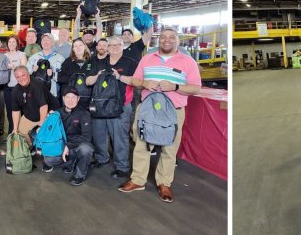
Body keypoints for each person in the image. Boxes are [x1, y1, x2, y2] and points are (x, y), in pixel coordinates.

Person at [118, 26, 202, 202]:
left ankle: (164, 183)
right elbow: (135, 80)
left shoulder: (187, 62)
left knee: (169, 148)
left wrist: (175, 87)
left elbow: (196, 88)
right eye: (163, 37)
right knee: (141, 144)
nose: (167, 40)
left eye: (171, 37)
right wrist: (144, 83)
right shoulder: (147, 59)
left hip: (173, 112)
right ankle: (138, 180)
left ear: (177, 40)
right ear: (159, 39)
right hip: (147, 109)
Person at [85, 34, 138, 178]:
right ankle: (102, 158)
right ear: (107, 48)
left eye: (118, 45)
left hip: (120, 106)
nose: (114, 48)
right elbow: (88, 81)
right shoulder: (99, 62)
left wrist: (119, 77)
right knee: (99, 135)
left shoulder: (130, 62)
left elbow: (137, 82)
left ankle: (122, 166)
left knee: (120, 137)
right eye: (111, 45)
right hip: (100, 105)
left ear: (123, 46)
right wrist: (98, 76)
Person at [44, 86, 94, 185]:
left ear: (78, 99)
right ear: (63, 98)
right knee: (48, 160)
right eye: (68, 97)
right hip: (62, 144)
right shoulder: (57, 113)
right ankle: (71, 163)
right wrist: (49, 121)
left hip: (77, 145)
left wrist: (68, 145)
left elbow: (87, 136)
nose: (70, 100)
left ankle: (79, 175)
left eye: (73, 97)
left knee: (86, 149)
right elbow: (51, 133)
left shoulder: (84, 113)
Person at [10, 65, 51, 139]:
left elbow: (44, 106)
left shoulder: (37, 85)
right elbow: (15, 111)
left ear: (28, 74)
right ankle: (29, 148)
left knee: (44, 137)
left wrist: (41, 124)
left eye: (23, 75)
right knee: (19, 134)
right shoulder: (15, 91)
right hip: (29, 116)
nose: (21, 79)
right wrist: (15, 128)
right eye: (18, 77)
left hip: (47, 114)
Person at [27, 33, 65, 100]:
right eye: (44, 40)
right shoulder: (33, 57)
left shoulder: (60, 58)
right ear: (41, 43)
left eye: (48, 40)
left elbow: (63, 77)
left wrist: (53, 74)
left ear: (52, 43)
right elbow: (26, 74)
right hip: (36, 91)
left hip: (52, 92)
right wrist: (33, 70)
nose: (46, 42)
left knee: (52, 110)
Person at [3, 35, 28, 134]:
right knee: (10, 111)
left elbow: (25, 70)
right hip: (7, 87)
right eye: (10, 42)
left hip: (19, 87)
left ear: (17, 43)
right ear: (7, 44)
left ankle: (21, 133)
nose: (11, 44)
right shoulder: (4, 56)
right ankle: (11, 133)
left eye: (14, 42)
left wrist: (14, 67)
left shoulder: (22, 54)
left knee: (21, 111)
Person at [57, 37, 92, 104]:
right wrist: (73, 78)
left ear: (84, 47)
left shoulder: (92, 61)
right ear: (73, 49)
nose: (78, 48)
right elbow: (60, 78)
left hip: (86, 97)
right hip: (70, 97)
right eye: (75, 46)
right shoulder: (67, 61)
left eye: (80, 45)